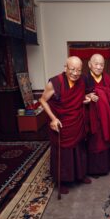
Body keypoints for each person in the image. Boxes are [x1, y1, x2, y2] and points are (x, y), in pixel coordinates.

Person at [39, 56, 91, 194]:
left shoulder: (83, 79)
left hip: (76, 120)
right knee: (63, 153)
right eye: (72, 69)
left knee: (79, 149)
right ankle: (61, 181)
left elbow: (83, 94)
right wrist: (53, 119)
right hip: (62, 122)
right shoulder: (55, 82)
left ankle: (80, 175)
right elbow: (43, 100)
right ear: (65, 68)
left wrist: (86, 99)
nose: (75, 73)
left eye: (79, 70)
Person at [84, 54, 110, 176]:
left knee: (105, 141)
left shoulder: (107, 78)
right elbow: (79, 95)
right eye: (96, 64)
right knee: (94, 141)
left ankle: (105, 167)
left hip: (106, 117)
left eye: (102, 64)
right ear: (90, 64)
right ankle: (93, 169)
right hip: (92, 117)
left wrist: (102, 93)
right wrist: (88, 95)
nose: (99, 67)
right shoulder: (84, 78)